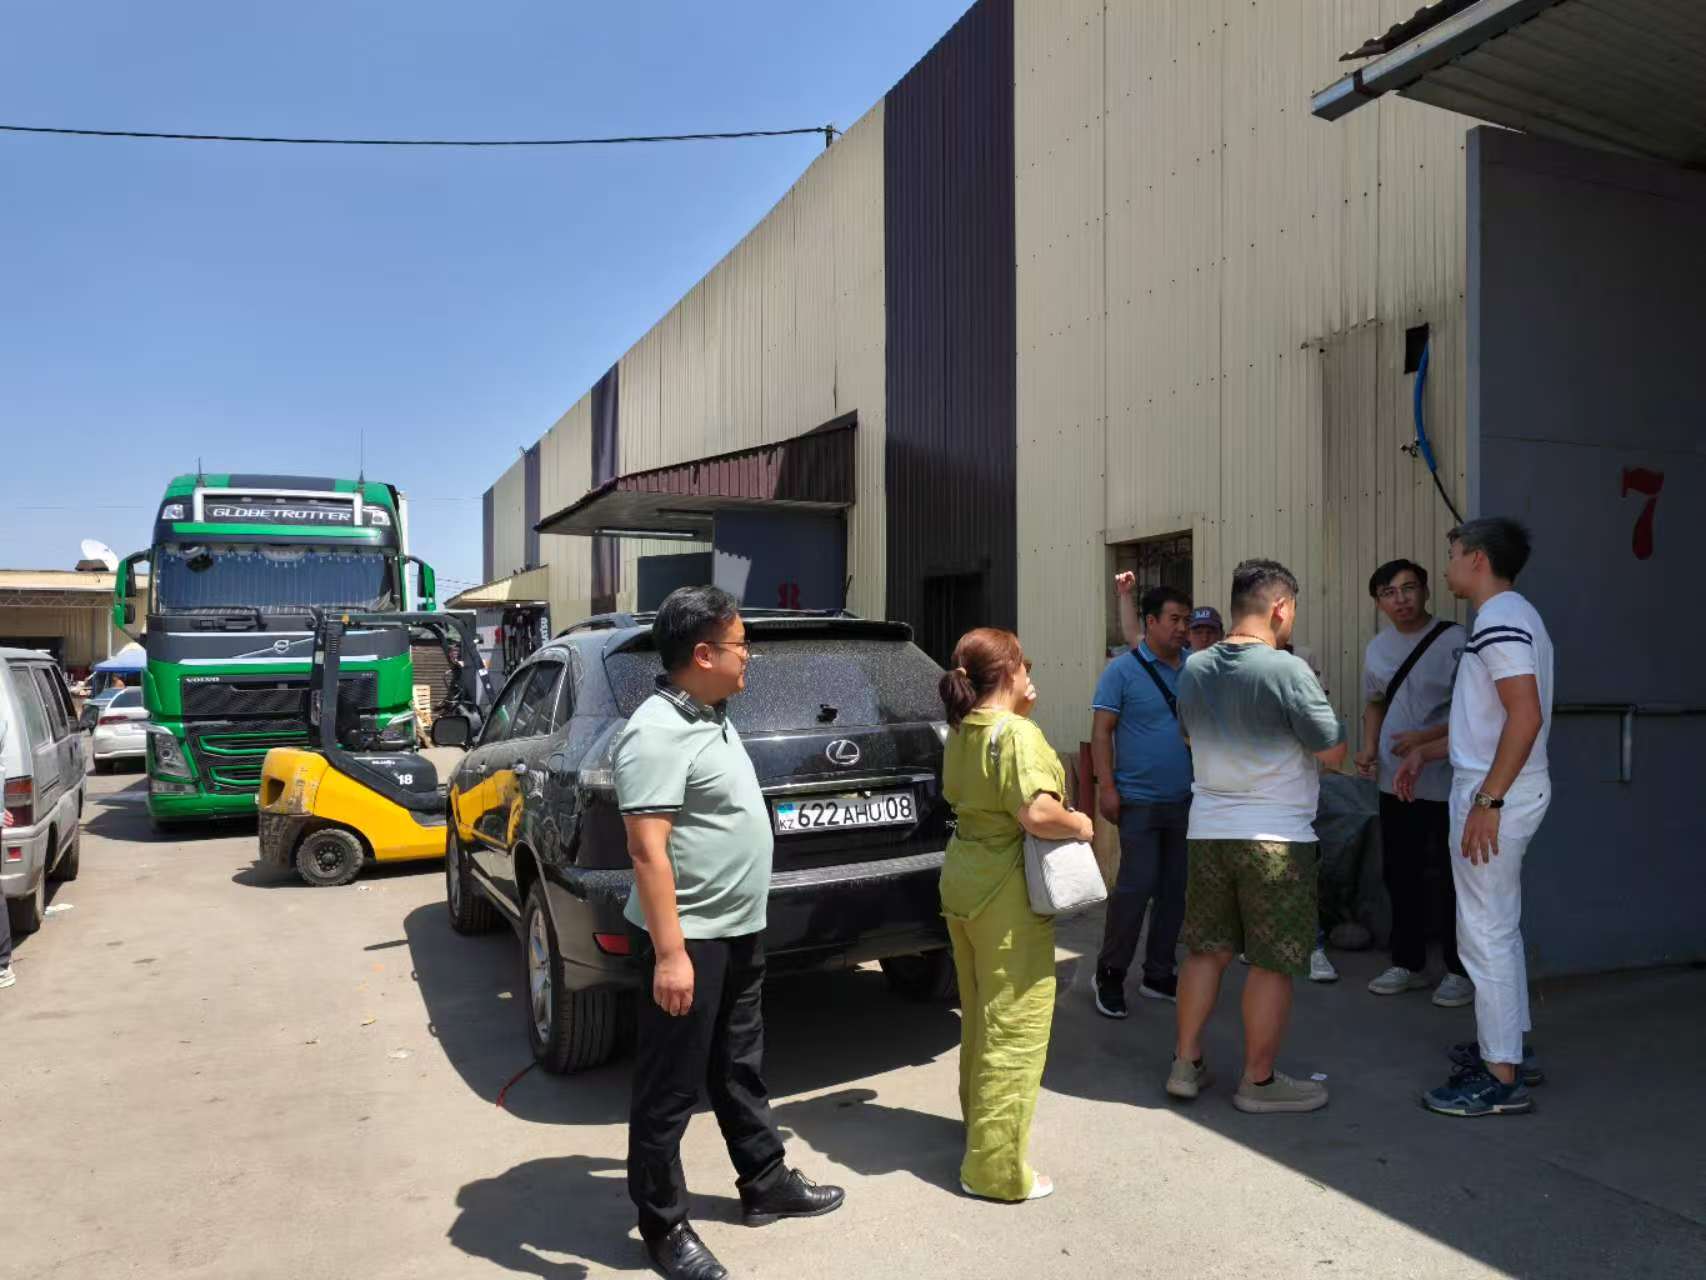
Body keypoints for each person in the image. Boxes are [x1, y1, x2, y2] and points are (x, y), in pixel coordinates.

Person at [615, 586, 844, 1280]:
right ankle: (663, 1226)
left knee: (738, 1063)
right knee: (670, 1087)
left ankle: (764, 1180)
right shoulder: (655, 732)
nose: (750, 657)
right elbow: (647, 852)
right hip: (690, 938)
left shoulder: (711, 714)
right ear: (703, 654)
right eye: (741, 645)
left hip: (738, 927)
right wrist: (671, 954)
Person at [1169, 559, 1346, 1114]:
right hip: (1277, 839)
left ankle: (1185, 1064)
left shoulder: (1194, 668)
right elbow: (1333, 752)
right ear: (1280, 607)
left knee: (1206, 952)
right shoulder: (1288, 670)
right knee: (1271, 962)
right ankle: (1258, 1082)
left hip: (1207, 831)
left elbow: (1189, 738)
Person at [1396, 519, 1552, 1118]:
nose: (1447, 567)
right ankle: (1508, 1049)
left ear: (1479, 560)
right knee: (1496, 928)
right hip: (1500, 785)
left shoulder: (1500, 619)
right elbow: (1489, 721)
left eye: (1454, 554)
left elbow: (1525, 716)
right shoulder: (1514, 616)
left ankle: (1499, 1078)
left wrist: (1488, 801)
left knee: (1484, 934)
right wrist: (1426, 752)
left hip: (1496, 795)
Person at [939, 628, 1089, 1201]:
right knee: (1015, 1025)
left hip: (964, 882)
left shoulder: (964, 728)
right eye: (1025, 665)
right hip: (1005, 892)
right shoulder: (1017, 735)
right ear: (1009, 673)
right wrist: (1081, 824)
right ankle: (995, 1171)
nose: (1031, 675)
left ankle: (980, 1132)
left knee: (980, 1017)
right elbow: (1037, 814)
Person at [1355, 559, 1472, 1007]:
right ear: (1378, 603)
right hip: (1394, 780)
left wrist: (1425, 739)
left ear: (1426, 590)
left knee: (1450, 876)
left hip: (1445, 777)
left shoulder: (1457, 641)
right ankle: (1407, 962)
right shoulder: (1378, 648)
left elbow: (1474, 711)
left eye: (1408, 588)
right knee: (1400, 872)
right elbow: (1375, 703)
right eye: (1388, 592)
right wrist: (1369, 748)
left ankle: (1459, 970)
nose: (1400, 599)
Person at [1092, 576, 1194, 1016]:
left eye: (1186, 620)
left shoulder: (1194, 668)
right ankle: (1110, 973)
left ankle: (1158, 973)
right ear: (1151, 622)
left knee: (1175, 891)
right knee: (1135, 888)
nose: (1182, 628)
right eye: (1174, 619)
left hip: (1186, 801)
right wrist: (1107, 787)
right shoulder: (1121, 671)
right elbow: (1102, 732)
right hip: (1139, 801)